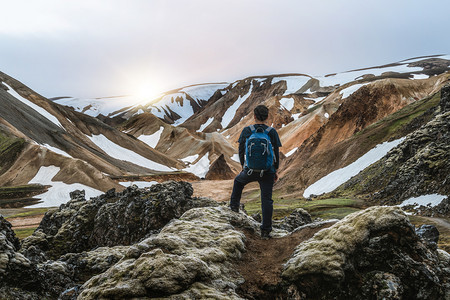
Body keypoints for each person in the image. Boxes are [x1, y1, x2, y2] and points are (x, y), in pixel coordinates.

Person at [229, 104, 282, 239]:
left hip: (250, 169)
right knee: (266, 199)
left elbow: (241, 151)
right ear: (267, 117)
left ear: (254, 116)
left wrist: (243, 167)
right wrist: (275, 169)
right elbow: (276, 152)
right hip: (267, 171)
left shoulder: (247, 130)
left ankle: (234, 209)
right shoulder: (272, 132)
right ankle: (265, 231)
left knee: (238, 182)